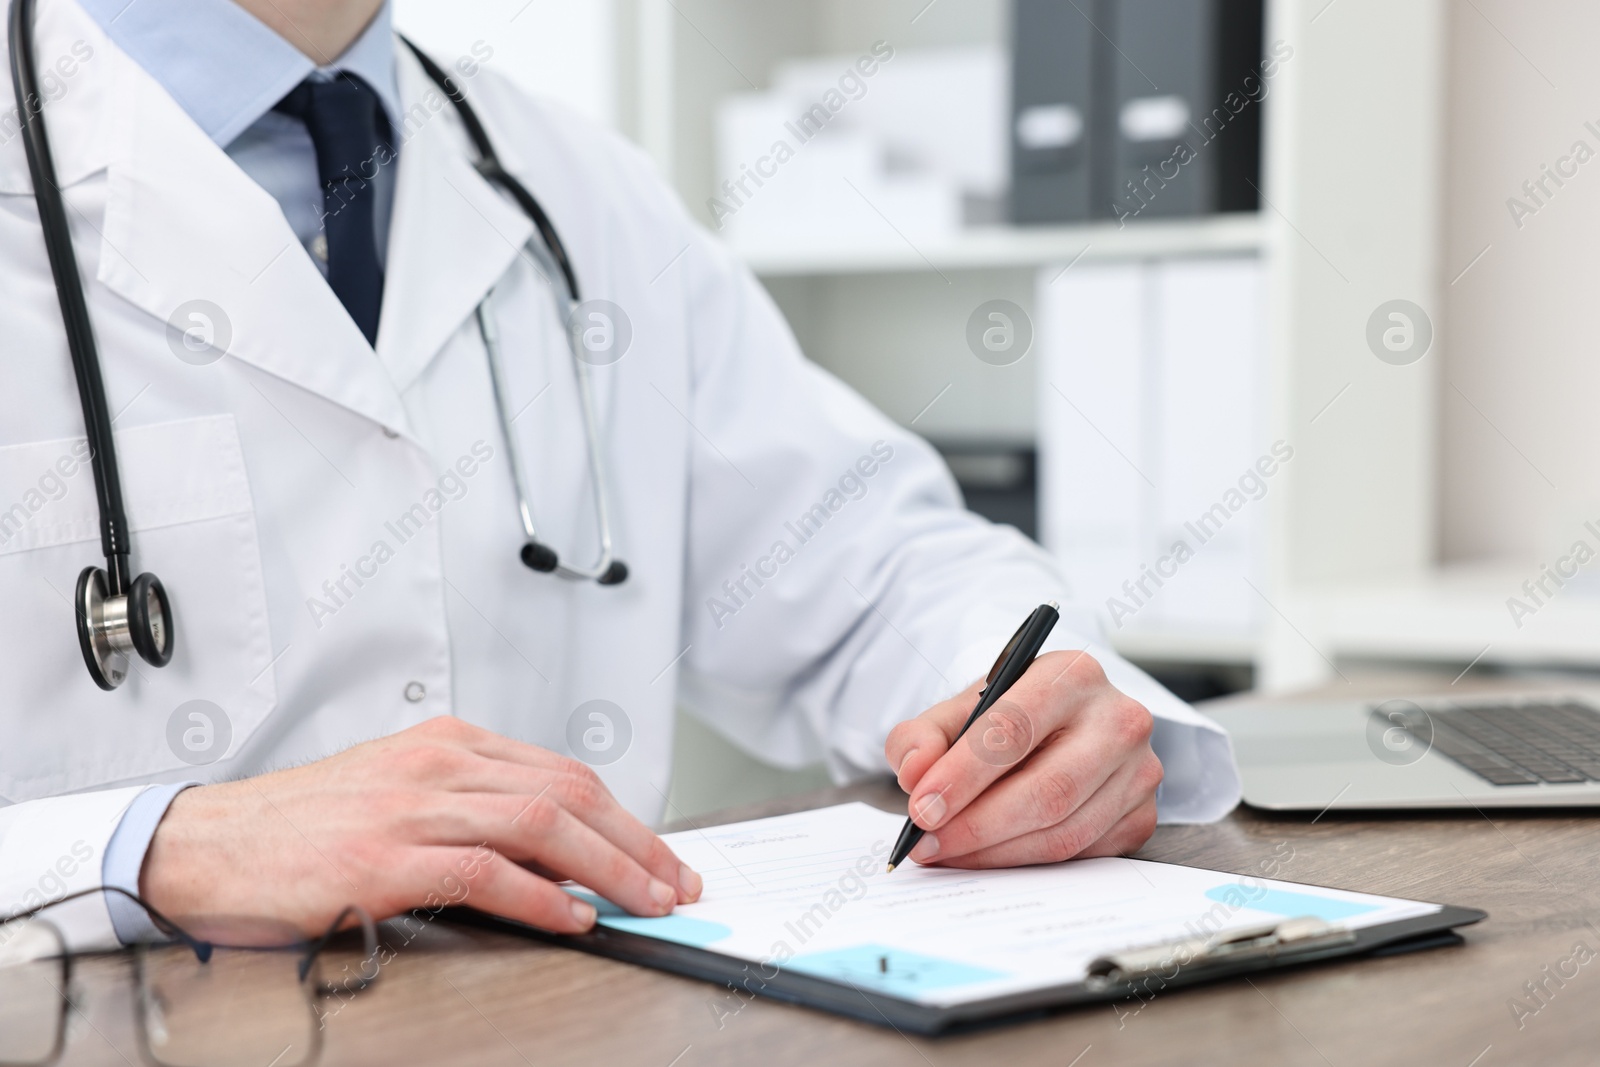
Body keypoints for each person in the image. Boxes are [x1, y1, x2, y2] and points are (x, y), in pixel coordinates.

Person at [0, 0, 1239, 951]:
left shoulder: (573, 189)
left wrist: (1038, 723)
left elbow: (869, 569)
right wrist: (143, 849)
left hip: (572, 1016)